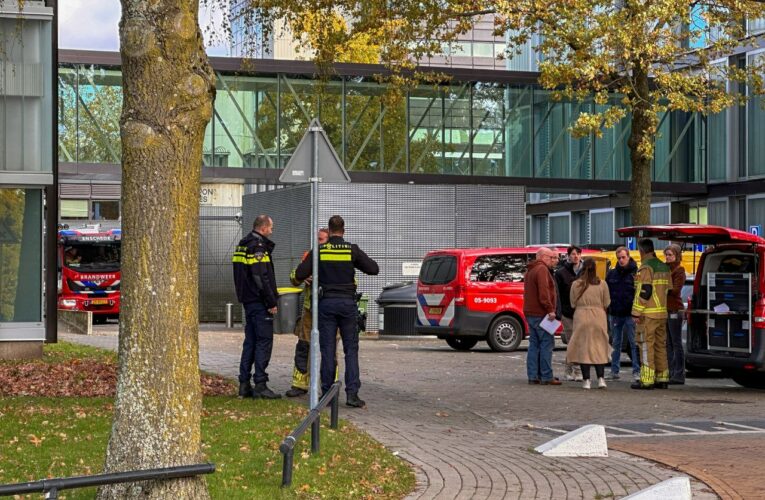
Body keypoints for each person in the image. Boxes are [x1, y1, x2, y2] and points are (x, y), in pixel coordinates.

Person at [294, 215, 379, 408]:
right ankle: (352, 395)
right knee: (351, 350)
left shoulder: (320, 251)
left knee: (328, 350)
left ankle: (327, 394)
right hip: (347, 305)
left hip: (326, 305)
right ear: (343, 231)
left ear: (330, 231)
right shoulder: (351, 250)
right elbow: (374, 269)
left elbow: (299, 274)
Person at [232, 215, 281, 399]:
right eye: (271, 227)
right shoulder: (258, 247)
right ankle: (260, 383)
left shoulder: (242, 245)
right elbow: (261, 277)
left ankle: (244, 383)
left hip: (248, 301)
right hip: (260, 302)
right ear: (263, 228)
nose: (271, 231)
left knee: (250, 342)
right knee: (263, 341)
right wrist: (271, 302)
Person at [285, 228, 330, 397]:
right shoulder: (309, 256)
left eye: (321, 239)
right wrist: (303, 277)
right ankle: (299, 384)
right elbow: (293, 276)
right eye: (317, 239)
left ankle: (329, 386)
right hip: (310, 310)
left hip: (328, 311)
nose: (318, 242)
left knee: (329, 350)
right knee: (303, 346)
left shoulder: (337, 257)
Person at [631, 238, 670, 390]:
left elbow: (645, 291)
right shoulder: (664, 267)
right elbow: (668, 290)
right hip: (662, 314)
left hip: (648, 315)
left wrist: (636, 312)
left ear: (641, 251)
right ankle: (662, 377)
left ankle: (647, 379)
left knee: (646, 346)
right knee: (661, 346)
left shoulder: (646, 268)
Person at [567, 258, 611, 389]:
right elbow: (607, 302)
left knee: (583, 348)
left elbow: (572, 303)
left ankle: (586, 380)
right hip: (598, 316)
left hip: (581, 316)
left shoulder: (576, 284)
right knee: (599, 347)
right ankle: (601, 379)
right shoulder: (602, 284)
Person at [523, 247, 562, 385]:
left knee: (534, 344)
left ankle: (533, 375)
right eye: (551, 257)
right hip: (541, 313)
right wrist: (550, 309)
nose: (553, 260)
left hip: (530, 312)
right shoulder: (542, 269)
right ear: (543, 257)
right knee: (547, 343)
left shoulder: (530, 270)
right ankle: (546, 375)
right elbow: (544, 292)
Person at [605, 246, 640, 382]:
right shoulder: (612, 274)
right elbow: (606, 292)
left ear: (628, 256)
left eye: (623, 257)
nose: (621, 260)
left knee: (633, 343)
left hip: (631, 313)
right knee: (616, 343)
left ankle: (637, 371)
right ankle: (614, 371)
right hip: (616, 312)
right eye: (619, 258)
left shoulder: (635, 273)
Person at [555, 245, 583, 381]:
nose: (575, 256)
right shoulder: (561, 273)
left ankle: (569, 367)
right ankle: (576, 370)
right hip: (567, 313)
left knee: (577, 341)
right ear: (568, 256)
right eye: (573, 254)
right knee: (573, 341)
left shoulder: (585, 271)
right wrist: (559, 311)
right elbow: (558, 294)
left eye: (578, 254)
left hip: (582, 312)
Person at [664, 244, 687, 385]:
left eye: (670, 255)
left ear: (676, 255)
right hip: (666, 309)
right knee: (669, 343)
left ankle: (679, 373)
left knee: (676, 342)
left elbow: (676, 290)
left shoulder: (679, 270)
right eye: (666, 255)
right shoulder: (666, 269)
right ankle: (671, 372)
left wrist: (663, 288)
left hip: (674, 309)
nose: (667, 257)